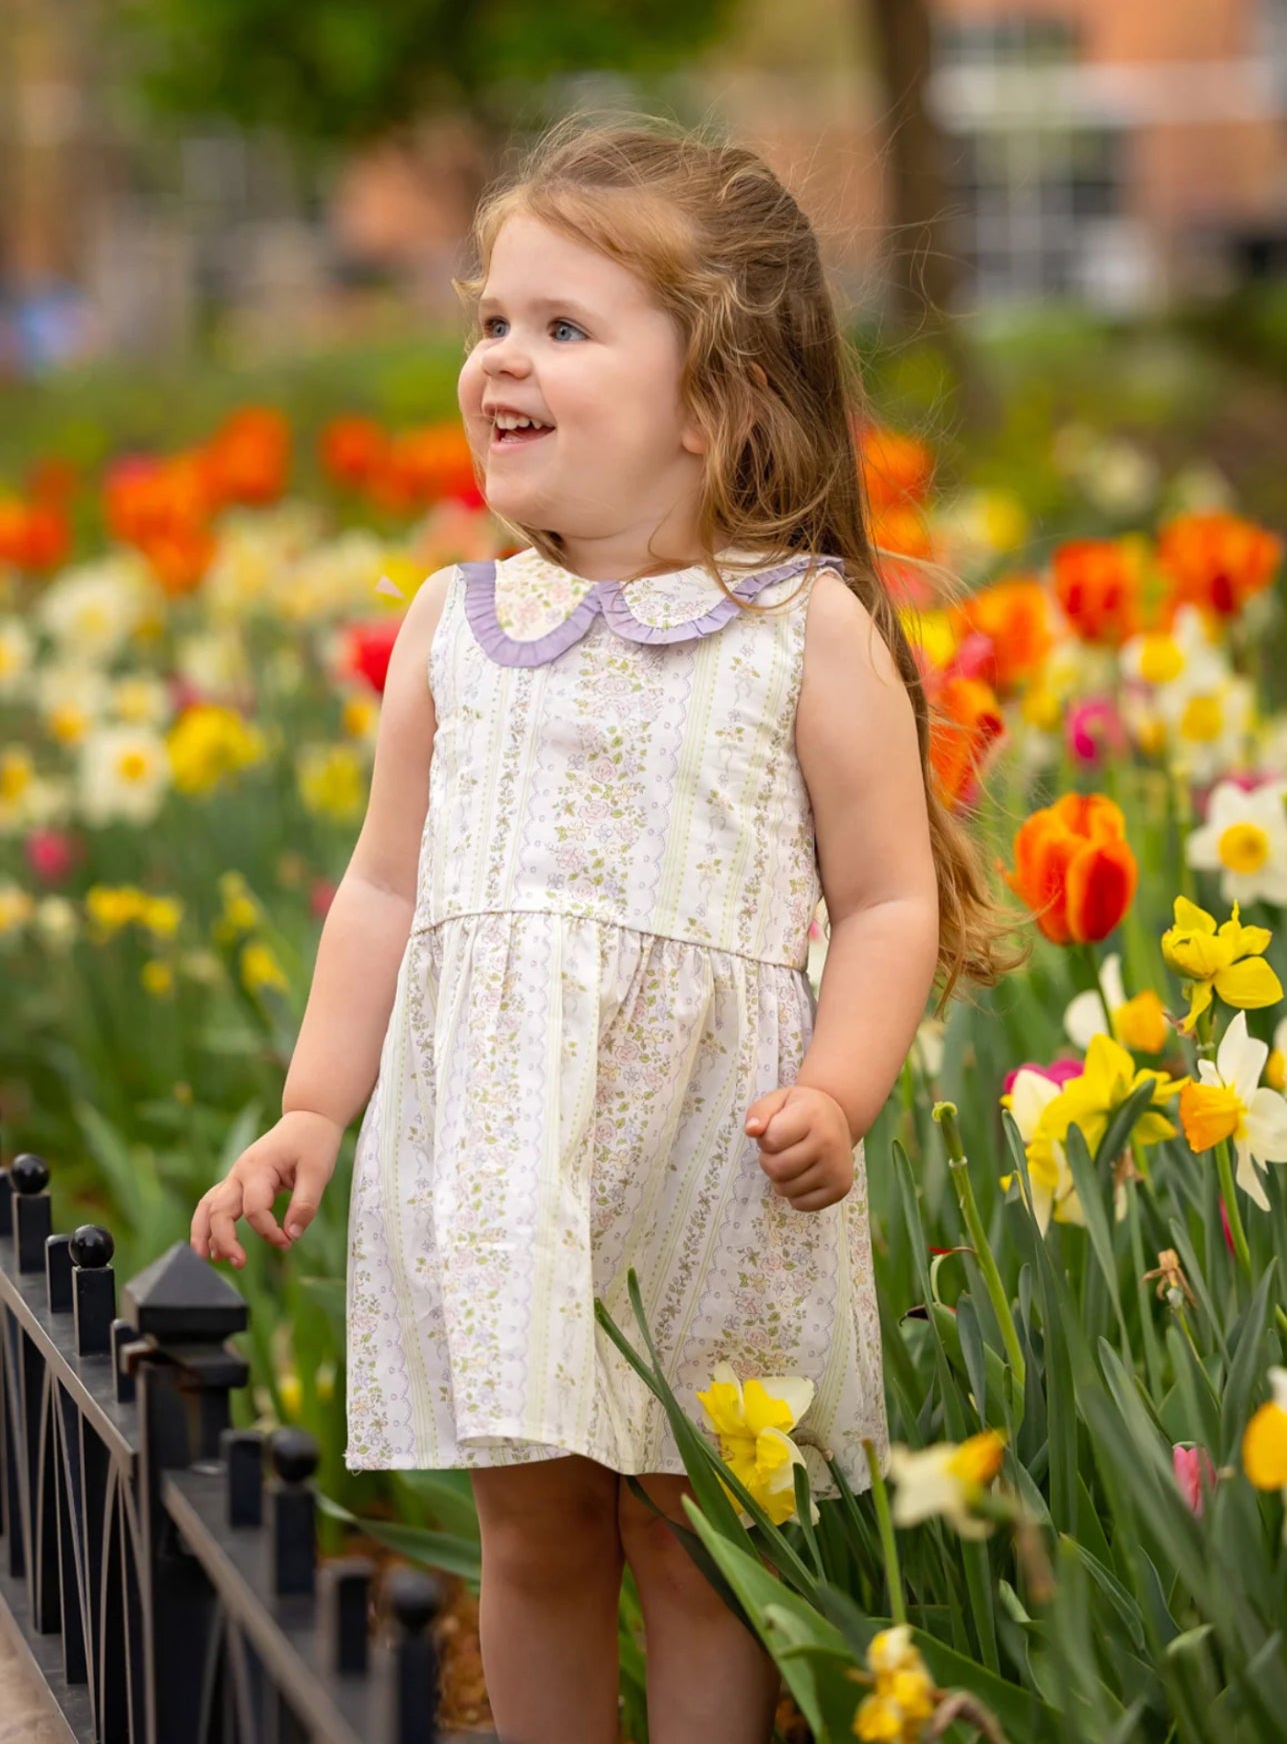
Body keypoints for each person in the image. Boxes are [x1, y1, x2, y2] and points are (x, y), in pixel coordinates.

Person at [190, 115, 1020, 1744]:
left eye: (565, 326)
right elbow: (384, 885)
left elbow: (885, 896)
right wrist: (311, 1101)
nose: (502, 356)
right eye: (492, 318)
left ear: (716, 399)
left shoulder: (801, 627)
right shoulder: (458, 624)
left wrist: (840, 1093)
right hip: (509, 1156)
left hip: (720, 1160)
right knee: (536, 1525)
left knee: (693, 1528)